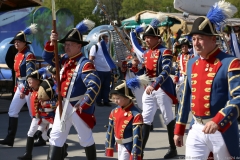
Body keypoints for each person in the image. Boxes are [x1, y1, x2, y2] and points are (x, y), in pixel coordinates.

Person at [173, 2, 240, 159]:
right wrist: (179, 129)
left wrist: (218, 121)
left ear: (213, 40)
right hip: (196, 127)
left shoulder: (230, 63)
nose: (195, 43)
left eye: (200, 38)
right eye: (194, 39)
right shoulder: (191, 63)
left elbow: (237, 98)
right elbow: (184, 99)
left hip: (221, 128)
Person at [42, 19, 100, 160]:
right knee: (55, 137)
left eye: (70, 45)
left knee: (85, 138)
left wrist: (84, 103)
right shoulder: (64, 60)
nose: (66, 47)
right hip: (62, 105)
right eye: (65, 44)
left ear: (79, 46)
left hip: (77, 107)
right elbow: (47, 57)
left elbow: (95, 85)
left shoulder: (85, 64)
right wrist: (52, 42)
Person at [140, 19, 178, 159]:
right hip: (149, 88)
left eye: (150, 37)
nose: (147, 40)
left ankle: (173, 149)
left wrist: (155, 84)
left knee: (168, 118)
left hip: (162, 88)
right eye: (146, 37)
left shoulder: (165, 51)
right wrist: (132, 68)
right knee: (146, 118)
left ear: (157, 38)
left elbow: (167, 69)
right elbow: (143, 72)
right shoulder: (145, 53)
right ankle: (140, 151)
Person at [0, 24, 37, 147]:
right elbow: (16, 73)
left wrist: (25, 89)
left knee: (34, 113)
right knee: (12, 111)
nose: (16, 44)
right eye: (15, 42)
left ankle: (41, 136)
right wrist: (18, 87)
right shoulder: (17, 55)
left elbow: (30, 75)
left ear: (24, 43)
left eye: (19, 42)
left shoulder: (29, 55)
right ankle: (10, 139)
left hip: (28, 87)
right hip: (20, 86)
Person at [105, 80, 143, 160]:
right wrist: (109, 147)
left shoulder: (135, 114)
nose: (115, 101)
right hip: (118, 145)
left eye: (118, 98)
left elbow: (137, 136)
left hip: (128, 147)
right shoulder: (114, 112)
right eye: (114, 98)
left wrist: (135, 152)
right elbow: (110, 131)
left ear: (127, 97)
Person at [17, 68, 46, 160]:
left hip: (43, 118)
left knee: (50, 136)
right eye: (28, 79)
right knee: (31, 134)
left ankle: (62, 149)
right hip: (36, 118)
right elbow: (26, 88)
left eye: (31, 80)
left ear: (37, 81)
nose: (28, 81)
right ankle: (28, 154)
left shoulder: (42, 92)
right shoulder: (32, 90)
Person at [89, 34, 114, 107]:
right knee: (99, 87)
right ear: (101, 40)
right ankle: (98, 101)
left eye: (107, 40)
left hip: (107, 71)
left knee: (107, 87)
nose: (107, 41)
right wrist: (92, 69)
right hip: (99, 70)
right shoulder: (95, 47)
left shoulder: (106, 47)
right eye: (106, 40)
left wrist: (110, 68)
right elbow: (91, 59)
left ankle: (106, 100)